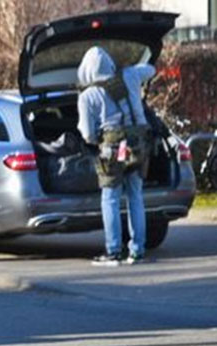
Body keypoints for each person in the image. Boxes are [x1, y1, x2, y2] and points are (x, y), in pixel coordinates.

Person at [77, 46, 156, 266]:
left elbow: (87, 133)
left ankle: (113, 252)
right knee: (135, 196)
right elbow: (151, 70)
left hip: (111, 149)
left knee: (110, 198)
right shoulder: (130, 75)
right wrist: (130, 69)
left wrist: (96, 142)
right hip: (139, 144)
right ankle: (137, 251)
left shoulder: (87, 96)